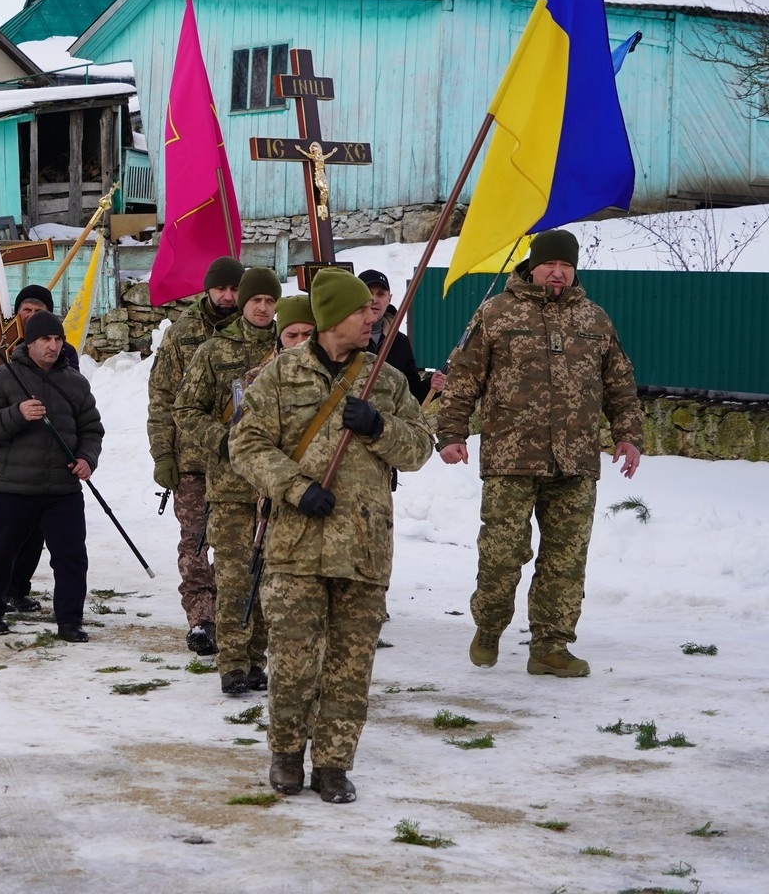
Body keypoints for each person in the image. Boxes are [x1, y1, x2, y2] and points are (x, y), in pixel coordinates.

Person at [230, 267, 434, 804]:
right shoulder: (279, 377)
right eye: (359, 311)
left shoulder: (385, 381)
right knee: (295, 662)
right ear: (328, 320)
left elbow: (418, 449)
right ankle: (286, 755)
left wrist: (378, 428)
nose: (371, 318)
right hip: (296, 545)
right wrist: (295, 489)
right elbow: (245, 446)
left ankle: (335, 765)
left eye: (372, 311)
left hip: (364, 548)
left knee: (351, 664)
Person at [436, 228, 644, 678]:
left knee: (566, 558)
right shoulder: (495, 313)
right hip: (512, 459)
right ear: (533, 266)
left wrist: (628, 435)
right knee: (502, 552)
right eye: (550, 264)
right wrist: (451, 433)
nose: (557, 272)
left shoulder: (595, 320)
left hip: (576, 461)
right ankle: (489, 627)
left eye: (566, 266)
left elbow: (620, 386)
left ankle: (550, 646)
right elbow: (463, 379)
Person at [174, 267, 281, 695]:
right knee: (236, 578)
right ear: (242, 303)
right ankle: (233, 664)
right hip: (232, 488)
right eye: (255, 300)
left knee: (269, 581)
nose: (262, 307)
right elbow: (185, 409)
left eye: (269, 301)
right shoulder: (215, 351)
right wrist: (223, 442)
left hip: (277, 488)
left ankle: (258, 660)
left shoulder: (289, 347)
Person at [0, 310, 103, 643]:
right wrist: (17, 414)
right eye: (45, 339)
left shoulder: (75, 382)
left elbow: (91, 429)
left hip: (62, 487)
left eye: (58, 339)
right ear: (29, 343)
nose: (53, 346)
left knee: (71, 555)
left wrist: (87, 458)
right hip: (12, 486)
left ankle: (70, 620)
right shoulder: (3, 378)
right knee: (1, 550)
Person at [146, 254, 242, 656]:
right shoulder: (182, 334)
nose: (227, 295)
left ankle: (236, 616)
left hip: (242, 460)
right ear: (207, 288)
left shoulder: (255, 333)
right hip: (193, 462)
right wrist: (163, 454)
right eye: (221, 287)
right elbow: (162, 398)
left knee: (239, 542)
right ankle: (201, 619)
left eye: (234, 288)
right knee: (196, 541)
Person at [358, 269, 436, 402]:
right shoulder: (345, 339)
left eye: (381, 294)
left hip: (389, 421)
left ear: (389, 299)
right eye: (368, 293)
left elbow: (412, 393)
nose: (374, 299)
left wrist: (431, 385)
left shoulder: (400, 342)